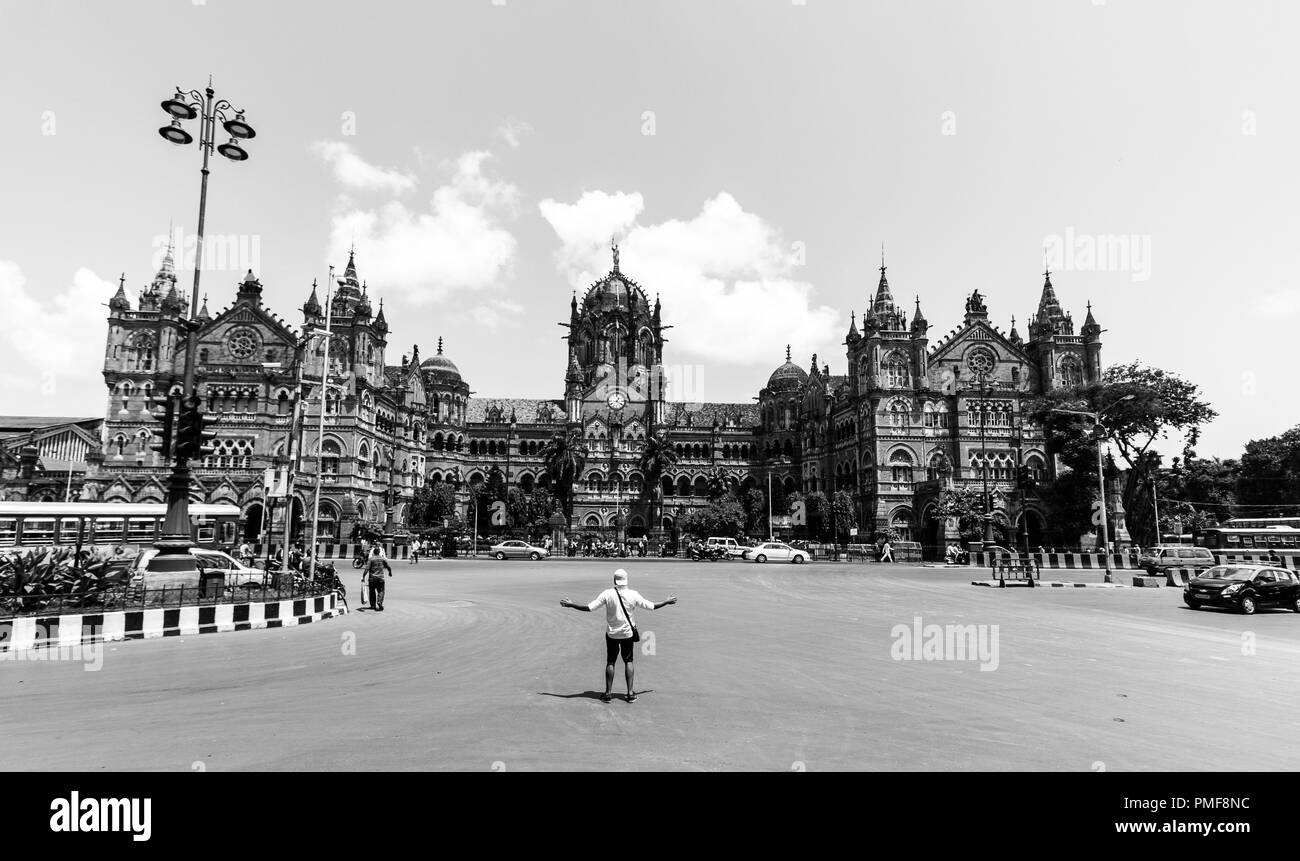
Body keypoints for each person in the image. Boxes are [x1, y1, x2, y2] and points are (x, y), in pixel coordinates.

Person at [560, 569, 678, 703]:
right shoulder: (633, 594)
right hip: (627, 634)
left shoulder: (607, 594)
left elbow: (589, 608)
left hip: (612, 634)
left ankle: (608, 693)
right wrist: (666, 601)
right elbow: (651, 606)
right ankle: (630, 694)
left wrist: (571, 604)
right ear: (626, 580)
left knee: (611, 661)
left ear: (614, 580)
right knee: (629, 661)